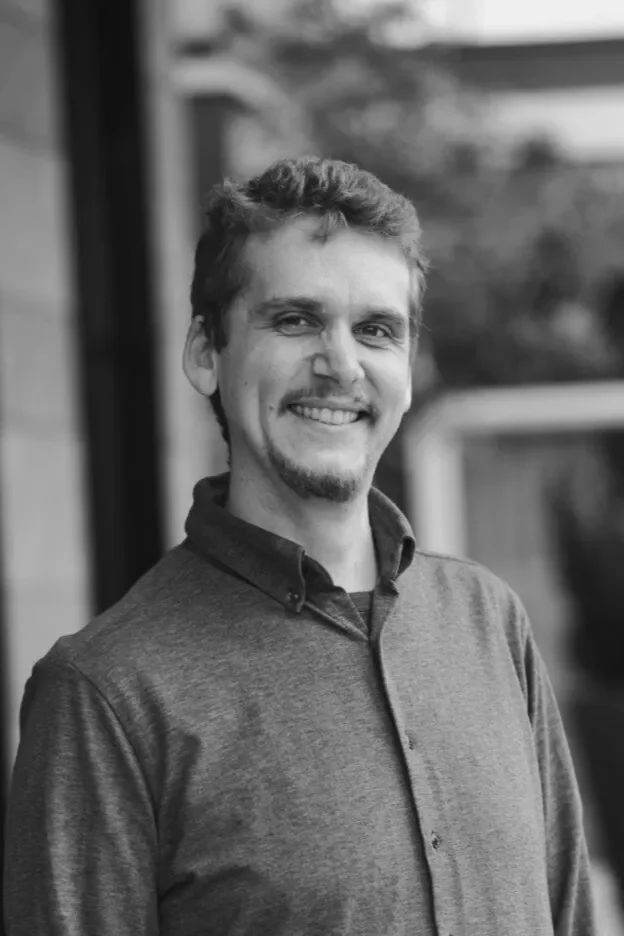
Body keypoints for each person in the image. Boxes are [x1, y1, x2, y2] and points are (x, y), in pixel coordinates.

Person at [3, 156, 596, 935]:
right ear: (206, 352)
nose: (340, 364)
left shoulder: (489, 621)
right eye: (295, 320)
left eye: (376, 330)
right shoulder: (107, 693)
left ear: (408, 369)